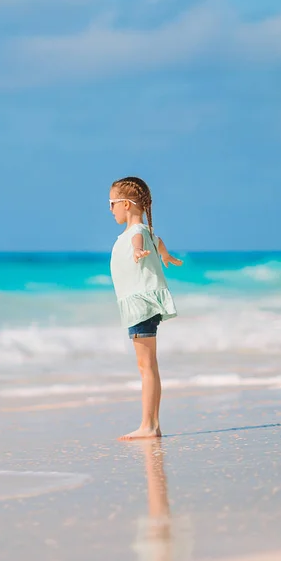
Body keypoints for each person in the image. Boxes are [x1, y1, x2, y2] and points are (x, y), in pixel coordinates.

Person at [109, 176, 183, 440]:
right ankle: (152, 424)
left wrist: (139, 252)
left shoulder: (137, 233)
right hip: (140, 307)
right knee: (148, 366)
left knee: (146, 367)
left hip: (141, 307)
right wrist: (164, 255)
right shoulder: (145, 231)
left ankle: (149, 425)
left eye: (112, 203)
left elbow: (138, 242)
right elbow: (157, 240)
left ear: (126, 205)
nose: (111, 209)